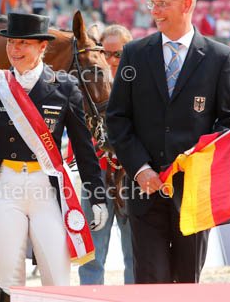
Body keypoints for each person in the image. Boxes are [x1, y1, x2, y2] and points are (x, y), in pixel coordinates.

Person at [106, 0, 230, 284]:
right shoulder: (134, 54)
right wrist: (140, 168)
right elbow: (116, 118)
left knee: (186, 282)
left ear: (186, 4)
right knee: (150, 281)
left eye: (162, 4)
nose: (154, 11)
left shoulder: (220, 58)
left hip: (195, 195)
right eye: (152, 3)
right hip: (145, 190)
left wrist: (196, 160)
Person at [0, 13, 108, 301]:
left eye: (23, 43)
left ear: (42, 47)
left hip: (47, 189)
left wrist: (97, 196)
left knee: (56, 275)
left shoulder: (64, 87)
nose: (15, 50)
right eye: (11, 43)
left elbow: (83, 147)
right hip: (4, 188)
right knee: (9, 280)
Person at [78, 25, 134, 285]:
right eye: (106, 53)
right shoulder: (87, 84)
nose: (111, 60)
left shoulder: (142, 86)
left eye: (118, 54)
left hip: (133, 175)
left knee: (134, 252)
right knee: (93, 252)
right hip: (97, 174)